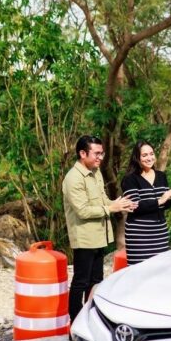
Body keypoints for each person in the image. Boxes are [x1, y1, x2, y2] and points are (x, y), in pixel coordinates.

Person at [63, 135, 137, 323]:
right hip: (85, 237)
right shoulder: (73, 178)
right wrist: (111, 208)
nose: (100, 157)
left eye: (102, 153)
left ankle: (90, 320)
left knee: (96, 281)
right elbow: (82, 211)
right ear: (82, 153)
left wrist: (118, 204)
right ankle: (75, 323)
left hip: (100, 236)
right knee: (80, 282)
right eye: (96, 153)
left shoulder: (96, 172)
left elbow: (103, 201)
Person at [121, 140, 171, 265]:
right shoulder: (129, 179)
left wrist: (168, 199)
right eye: (144, 155)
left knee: (160, 270)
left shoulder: (161, 176)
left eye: (151, 154)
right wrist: (160, 200)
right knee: (139, 271)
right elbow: (135, 206)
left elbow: (166, 204)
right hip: (139, 235)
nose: (149, 158)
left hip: (160, 232)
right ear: (137, 158)